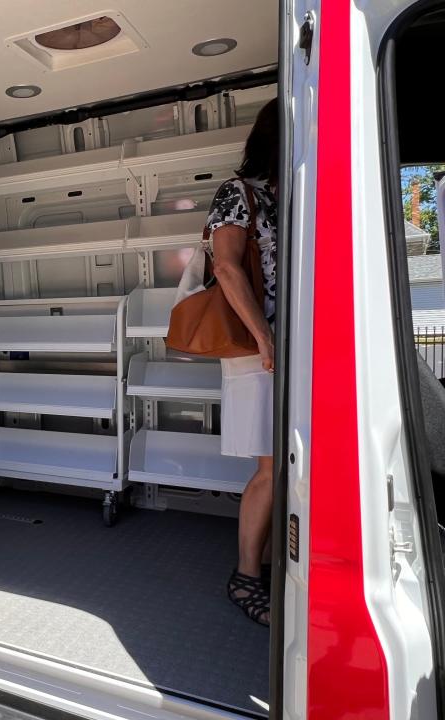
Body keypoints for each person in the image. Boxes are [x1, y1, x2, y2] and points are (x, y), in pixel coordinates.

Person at [205, 98, 278, 626]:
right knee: (271, 468)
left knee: (286, 466)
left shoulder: (288, 196)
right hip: (255, 347)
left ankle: (271, 563)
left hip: (284, 344)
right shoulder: (238, 194)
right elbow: (226, 269)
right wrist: (264, 336)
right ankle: (246, 576)